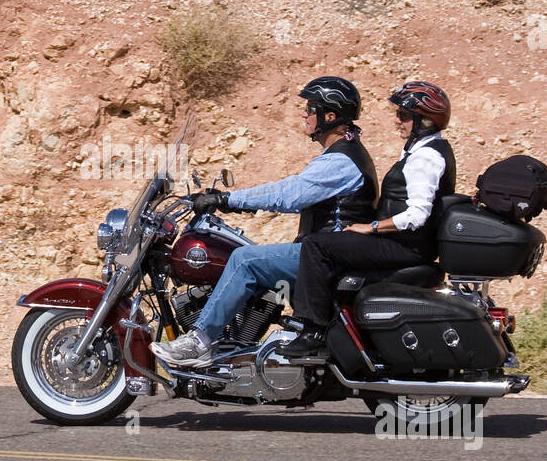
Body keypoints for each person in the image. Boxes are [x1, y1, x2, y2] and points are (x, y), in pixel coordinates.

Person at [150, 77, 378, 369]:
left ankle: (201, 342)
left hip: (328, 256)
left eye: (310, 108)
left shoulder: (341, 162)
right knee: (250, 254)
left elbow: (289, 195)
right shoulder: (343, 153)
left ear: (330, 116)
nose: (304, 114)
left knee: (245, 260)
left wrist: (226, 200)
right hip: (328, 252)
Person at [278, 80, 456, 358]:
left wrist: (371, 227)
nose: (397, 120)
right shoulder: (423, 148)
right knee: (332, 243)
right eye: (398, 114)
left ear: (427, 121)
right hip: (404, 242)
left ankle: (312, 330)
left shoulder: (426, 158)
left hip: (405, 246)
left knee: (317, 245)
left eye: (405, 116)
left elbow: (417, 216)